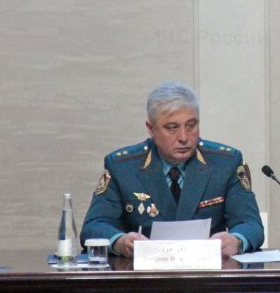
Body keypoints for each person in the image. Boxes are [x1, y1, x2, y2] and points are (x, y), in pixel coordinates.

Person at [81, 81, 264, 258]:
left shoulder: (225, 163)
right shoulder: (122, 167)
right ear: (151, 129)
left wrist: (236, 241)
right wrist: (120, 242)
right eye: (172, 128)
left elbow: (251, 224)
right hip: (143, 273)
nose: (184, 137)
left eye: (191, 126)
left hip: (207, 272)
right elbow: (94, 226)